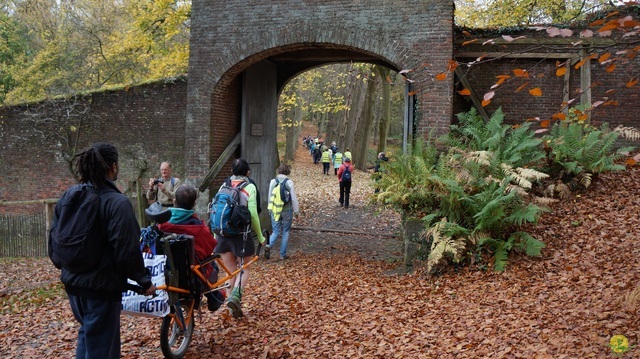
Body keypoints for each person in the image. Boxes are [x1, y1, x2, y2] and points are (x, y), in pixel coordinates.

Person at [55, 142, 156, 359]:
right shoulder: (117, 203)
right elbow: (126, 250)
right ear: (113, 166)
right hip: (101, 289)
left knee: (88, 335)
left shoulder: (69, 196)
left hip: (73, 285)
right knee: (103, 349)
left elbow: (54, 237)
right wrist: (145, 281)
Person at [157, 184, 225, 311]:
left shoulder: (162, 224)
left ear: (174, 201)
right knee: (211, 262)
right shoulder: (199, 229)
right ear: (194, 204)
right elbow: (210, 247)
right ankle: (213, 298)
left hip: (165, 272)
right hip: (192, 276)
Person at [214, 158, 266, 318]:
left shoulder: (224, 185)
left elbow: (216, 211)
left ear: (232, 172)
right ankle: (236, 297)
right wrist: (260, 237)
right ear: (248, 172)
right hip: (241, 236)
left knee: (230, 272)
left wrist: (215, 235)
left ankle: (232, 307)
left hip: (222, 235)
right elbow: (253, 215)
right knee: (244, 268)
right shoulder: (249, 186)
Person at [266, 164, 300, 260]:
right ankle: (282, 255)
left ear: (278, 171)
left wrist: (270, 209)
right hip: (287, 210)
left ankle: (269, 245)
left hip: (275, 210)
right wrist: (296, 212)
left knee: (276, 231)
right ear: (287, 172)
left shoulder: (273, 181)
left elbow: (270, 196)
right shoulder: (289, 183)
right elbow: (293, 198)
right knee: (285, 231)